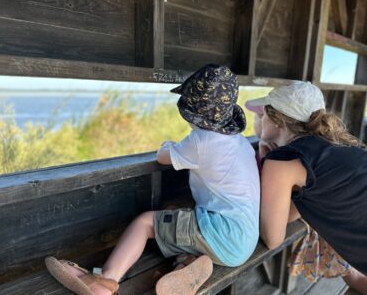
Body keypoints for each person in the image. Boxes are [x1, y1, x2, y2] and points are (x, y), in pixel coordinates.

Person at [45, 64, 260, 295]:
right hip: (244, 240)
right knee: (174, 216)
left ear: (192, 112)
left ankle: (105, 281)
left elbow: (163, 157)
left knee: (145, 223)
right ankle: (186, 263)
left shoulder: (202, 141)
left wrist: (168, 144)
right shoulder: (239, 142)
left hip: (221, 235)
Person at [247, 81, 367, 294]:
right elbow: (293, 213)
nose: (260, 119)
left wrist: (268, 163)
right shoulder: (337, 146)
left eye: (263, 113)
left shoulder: (282, 162)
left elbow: (273, 238)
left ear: (278, 120)